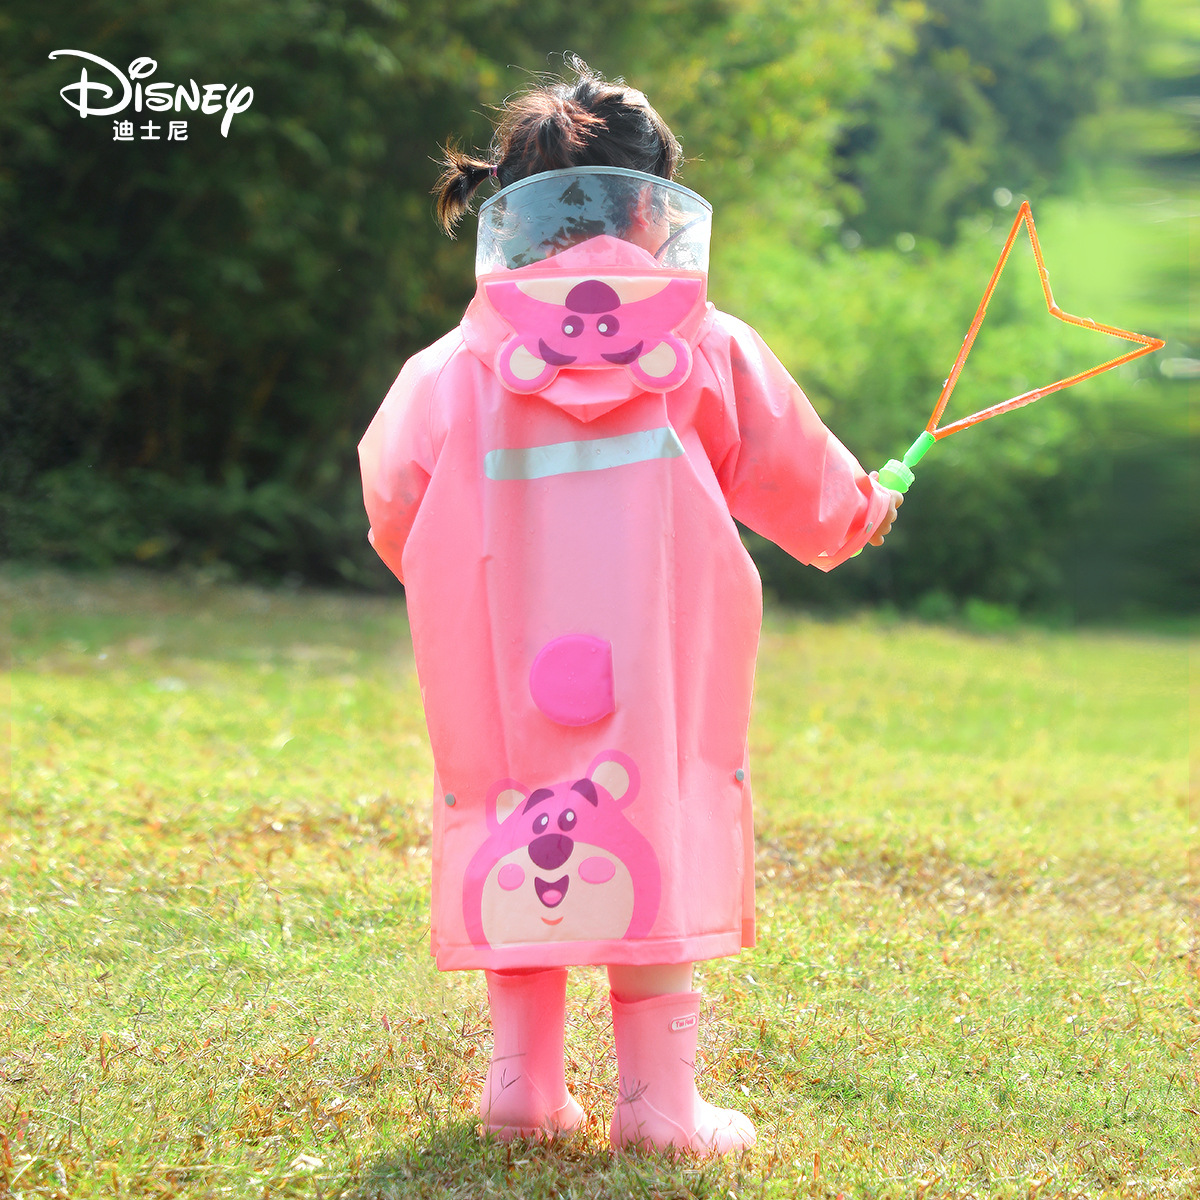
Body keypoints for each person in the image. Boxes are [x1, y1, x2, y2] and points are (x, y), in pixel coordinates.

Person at [358, 58, 901, 1156]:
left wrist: (455, 575)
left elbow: (392, 499)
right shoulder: (706, 343)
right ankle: (659, 1106)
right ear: (654, 208)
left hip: (501, 654)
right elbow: (804, 483)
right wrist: (867, 505)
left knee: (515, 817)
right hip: (656, 653)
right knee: (647, 818)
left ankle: (521, 1088)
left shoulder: (453, 364)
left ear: (513, 206)